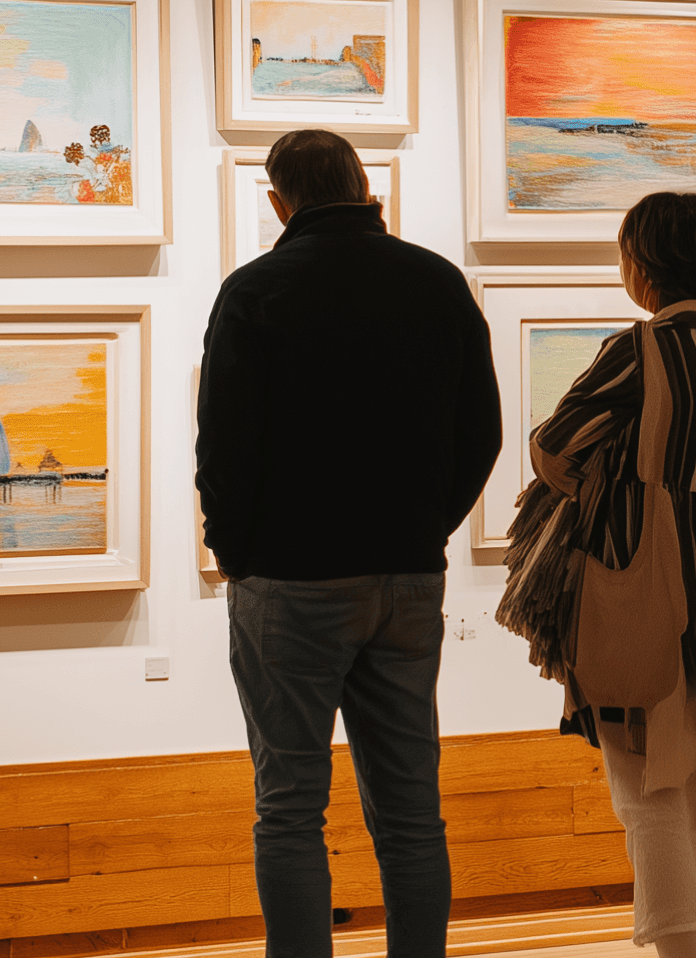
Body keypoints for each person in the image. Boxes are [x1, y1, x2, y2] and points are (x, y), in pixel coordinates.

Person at [196, 128, 501, 958]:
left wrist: (237, 553)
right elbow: (482, 435)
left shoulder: (256, 290)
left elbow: (224, 446)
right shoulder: (436, 282)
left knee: (290, 806)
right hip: (407, 576)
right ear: (365, 187)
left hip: (289, 580)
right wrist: (422, 527)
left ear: (278, 201)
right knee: (410, 811)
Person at [499, 191, 696, 958]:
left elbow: (554, 450)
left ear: (646, 267)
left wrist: (618, 485)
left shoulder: (639, 351)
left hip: (642, 592)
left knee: (647, 790)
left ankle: (680, 949)